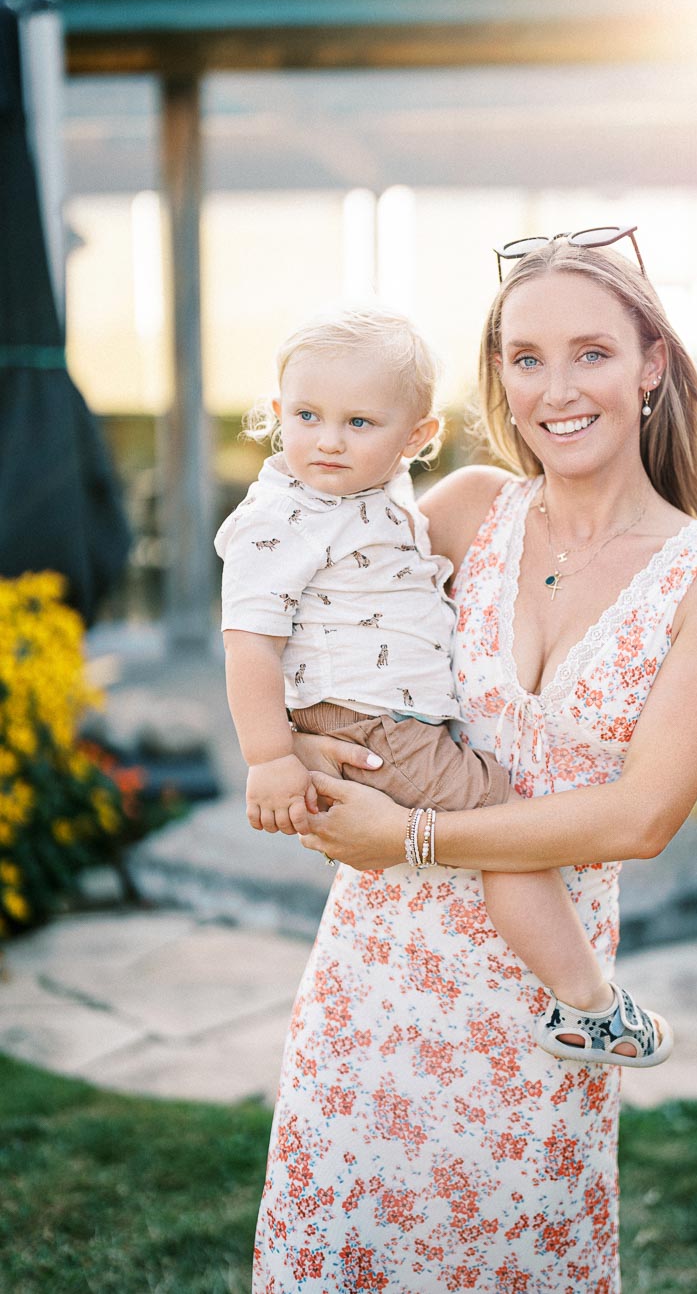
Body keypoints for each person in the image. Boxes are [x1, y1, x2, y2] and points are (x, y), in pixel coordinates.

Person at [251, 232, 697, 1292]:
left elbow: (638, 819)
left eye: (590, 352)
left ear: (652, 365)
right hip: (372, 979)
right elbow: (312, 637)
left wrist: (408, 834)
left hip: (542, 1015)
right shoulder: (463, 512)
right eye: (524, 357)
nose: (555, 388)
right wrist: (302, 744)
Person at [216, 305, 672, 1069]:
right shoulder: (284, 516)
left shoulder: (379, 500)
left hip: (391, 724)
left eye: (359, 421)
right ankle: (588, 1004)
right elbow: (249, 642)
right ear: (274, 415)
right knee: (509, 829)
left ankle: (579, 999)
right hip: (372, 727)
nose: (328, 439)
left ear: (416, 439)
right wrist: (273, 755)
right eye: (306, 416)